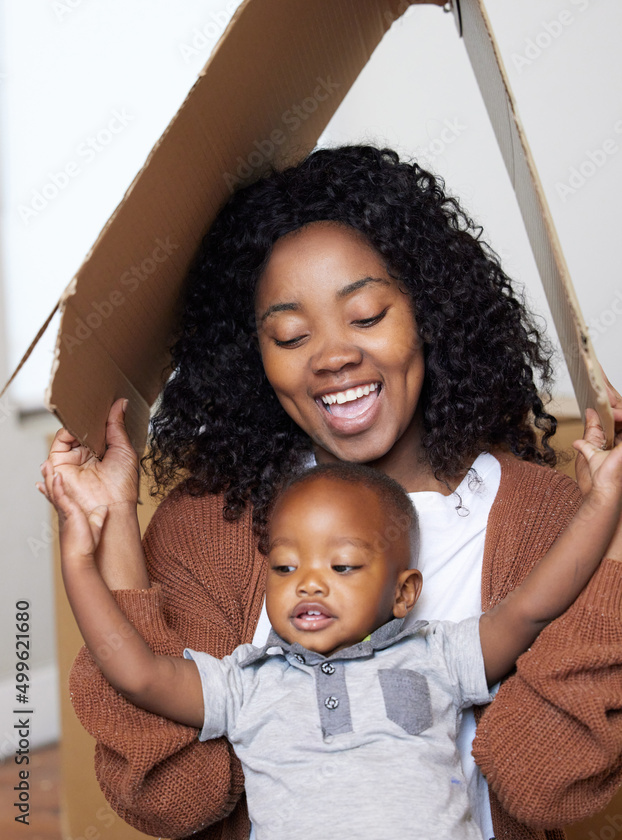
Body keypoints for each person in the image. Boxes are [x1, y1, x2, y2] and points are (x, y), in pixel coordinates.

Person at [38, 146, 622, 840]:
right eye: (290, 334)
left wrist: (611, 529)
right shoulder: (206, 526)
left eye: (368, 315)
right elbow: (176, 800)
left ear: (428, 314)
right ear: (253, 355)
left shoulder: (547, 520)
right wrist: (111, 541)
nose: (333, 355)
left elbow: (544, 784)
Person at [51, 438, 622, 840]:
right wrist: (78, 561)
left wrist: (603, 501)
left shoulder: (439, 654)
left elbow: (532, 609)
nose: (309, 584)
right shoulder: (246, 680)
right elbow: (136, 672)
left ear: (405, 594)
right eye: (284, 568)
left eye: (343, 567)